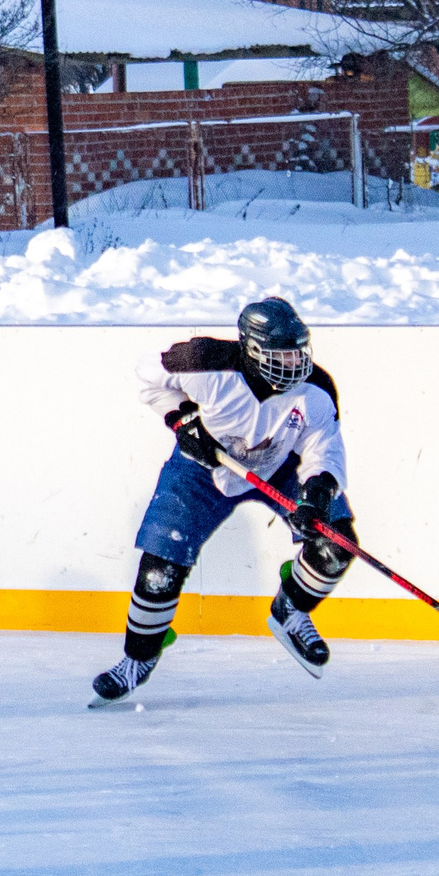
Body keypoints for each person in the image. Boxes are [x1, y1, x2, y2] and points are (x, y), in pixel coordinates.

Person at [92, 297, 355, 702]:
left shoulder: (317, 389)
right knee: (159, 569)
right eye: (281, 355)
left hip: (280, 464)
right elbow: (148, 377)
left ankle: (291, 609)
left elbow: (324, 447)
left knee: (335, 544)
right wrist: (181, 419)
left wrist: (316, 493)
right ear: (251, 349)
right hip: (203, 466)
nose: (294, 364)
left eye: (298, 353)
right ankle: (138, 659)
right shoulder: (204, 361)